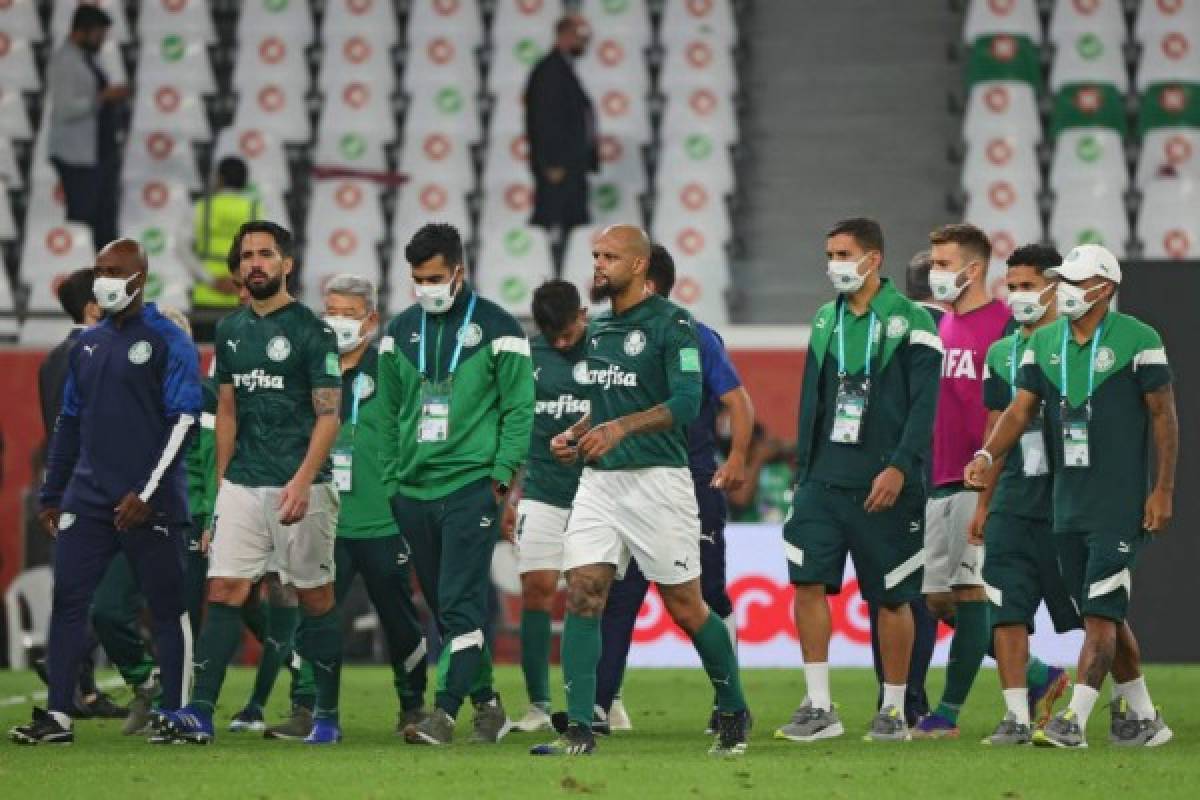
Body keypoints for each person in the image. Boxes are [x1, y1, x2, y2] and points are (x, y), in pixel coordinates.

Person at [531, 224, 750, 758]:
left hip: (659, 481)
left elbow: (685, 402)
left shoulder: (675, 325)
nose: (598, 264)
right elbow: (603, 408)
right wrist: (577, 434)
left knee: (686, 605)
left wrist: (620, 429)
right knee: (584, 593)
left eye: (608, 256)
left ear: (637, 266)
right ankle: (580, 727)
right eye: (595, 255)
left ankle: (733, 705)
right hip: (600, 484)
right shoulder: (600, 329)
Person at [967, 244, 1178, 749]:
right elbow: (1017, 413)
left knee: (1102, 614)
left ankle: (1073, 722)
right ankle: (1145, 718)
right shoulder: (1046, 344)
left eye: (1074, 282)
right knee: (1100, 610)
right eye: (1061, 281)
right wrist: (987, 455)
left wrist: (1163, 489)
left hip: (1119, 504)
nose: (1063, 290)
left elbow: (1163, 418)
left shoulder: (1139, 339)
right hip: (1066, 504)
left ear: (1103, 288)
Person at [154, 221, 345, 746]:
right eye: (246, 256)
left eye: (265, 254)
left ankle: (325, 713)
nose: (255, 263)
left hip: (303, 487)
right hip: (243, 483)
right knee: (225, 589)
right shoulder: (231, 330)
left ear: (288, 264)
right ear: (237, 268)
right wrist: (221, 491)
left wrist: (304, 480)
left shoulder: (313, 331)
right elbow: (228, 412)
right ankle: (200, 711)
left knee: (315, 597)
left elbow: (329, 415)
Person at [10, 240, 201, 745]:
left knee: (166, 608)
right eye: (99, 271)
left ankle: (178, 713)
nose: (105, 280)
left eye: (114, 271)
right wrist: (53, 493)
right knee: (68, 600)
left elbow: (184, 422)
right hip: (88, 497)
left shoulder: (168, 340)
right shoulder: (89, 345)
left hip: (149, 501)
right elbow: (69, 421)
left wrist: (148, 492)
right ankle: (58, 715)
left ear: (141, 276)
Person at [774, 218, 938, 744]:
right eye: (830, 254)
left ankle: (892, 710)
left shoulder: (912, 321)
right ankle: (819, 705)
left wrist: (899, 465)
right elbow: (812, 402)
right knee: (807, 582)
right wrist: (804, 473)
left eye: (844, 253)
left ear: (874, 259)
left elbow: (923, 406)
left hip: (886, 480)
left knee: (890, 597)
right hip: (824, 479)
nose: (834, 264)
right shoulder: (826, 320)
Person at [378, 223, 534, 746]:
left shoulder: (499, 328)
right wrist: (391, 483)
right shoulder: (399, 332)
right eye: (419, 279)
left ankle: (442, 714)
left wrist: (500, 479)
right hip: (413, 492)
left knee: (462, 605)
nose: (427, 288)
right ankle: (488, 707)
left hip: (471, 487)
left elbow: (518, 410)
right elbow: (386, 413)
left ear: (460, 272)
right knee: (448, 610)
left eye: (436, 277)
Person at [592, 244, 755, 735]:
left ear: (650, 283)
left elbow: (738, 402)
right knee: (617, 595)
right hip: (626, 483)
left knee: (705, 593)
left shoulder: (694, 336)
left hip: (689, 480)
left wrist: (738, 457)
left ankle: (726, 700)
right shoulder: (608, 334)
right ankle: (603, 702)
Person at [915, 224, 1065, 739]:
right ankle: (1042, 675)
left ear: (973, 269)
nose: (935, 272)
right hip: (936, 477)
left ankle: (948, 714)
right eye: (934, 263)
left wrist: (986, 486)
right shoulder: (943, 327)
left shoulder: (1003, 325)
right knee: (939, 599)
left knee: (972, 594)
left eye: (942, 262)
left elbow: (1003, 412)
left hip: (975, 478)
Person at [970, 244, 1082, 745]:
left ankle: (1129, 701)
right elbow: (997, 424)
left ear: (1055, 287)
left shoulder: (1076, 345)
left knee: (1098, 612)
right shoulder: (1000, 352)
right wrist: (984, 503)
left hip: (1071, 499)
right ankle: (1016, 715)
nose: (1018, 297)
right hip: (1015, 498)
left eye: (1027, 286)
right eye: (1011, 287)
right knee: (1007, 609)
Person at [322, 273, 431, 733]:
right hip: (326, 516)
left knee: (400, 619)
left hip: (383, 517)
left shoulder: (391, 366)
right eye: (332, 312)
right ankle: (311, 708)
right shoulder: (313, 366)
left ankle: (412, 705)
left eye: (349, 314)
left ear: (371, 319)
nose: (338, 322)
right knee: (317, 616)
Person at [503, 280, 591, 733]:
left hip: (597, 496)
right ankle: (538, 704)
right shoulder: (526, 359)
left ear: (584, 314)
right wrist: (507, 494)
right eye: (551, 334)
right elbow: (513, 429)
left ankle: (597, 701)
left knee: (587, 596)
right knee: (536, 588)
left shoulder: (605, 353)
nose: (560, 342)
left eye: (567, 333)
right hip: (541, 491)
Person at [47, 6, 128, 249]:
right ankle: (83, 274)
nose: (102, 41)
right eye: (98, 35)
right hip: (78, 157)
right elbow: (65, 109)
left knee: (104, 221)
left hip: (99, 152)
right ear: (81, 32)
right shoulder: (64, 62)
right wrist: (103, 97)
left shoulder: (87, 58)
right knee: (84, 219)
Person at [524, 13, 598, 271]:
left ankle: (561, 282)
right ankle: (542, 280)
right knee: (550, 224)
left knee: (571, 225)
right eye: (582, 37)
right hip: (559, 168)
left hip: (570, 166)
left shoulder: (561, 68)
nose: (586, 43)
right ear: (566, 35)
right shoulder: (551, 70)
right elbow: (544, 121)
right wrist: (551, 162)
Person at [183, 156, 261, 309]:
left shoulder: (200, 208)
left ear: (219, 179)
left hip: (206, 295)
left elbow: (182, 248)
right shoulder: (258, 210)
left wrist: (211, 279)